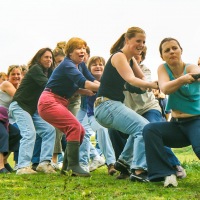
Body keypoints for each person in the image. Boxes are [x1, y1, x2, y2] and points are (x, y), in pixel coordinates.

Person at [94, 27, 158, 181]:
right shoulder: (118, 56)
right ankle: (139, 170)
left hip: (112, 105)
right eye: (138, 41)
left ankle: (124, 163)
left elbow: (142, 79)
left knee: (139, 128)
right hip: (106, 106)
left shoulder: (131, 59)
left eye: (143, 42)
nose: (141, 44)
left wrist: (154, 85)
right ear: (127, 40)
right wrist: (154, 85)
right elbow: (130, 79)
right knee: (144, 128)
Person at [111, 47, 186, 180]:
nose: (135, 58)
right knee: (113, 130)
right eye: (131, 56)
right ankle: (124, 166)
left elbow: (144, 85)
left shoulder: (144, 70)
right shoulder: (117, 72)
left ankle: (174, 165)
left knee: (151, 128)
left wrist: (135, 82)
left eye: (138, 56)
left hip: (148, 109)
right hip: (129, 112)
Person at [38, 37, 100, 177]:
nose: (82, 51)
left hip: (60, 101)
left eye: (84, 48)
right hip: (49, 101)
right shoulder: (67, 64)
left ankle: (66, 167)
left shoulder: (81, 65)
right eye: (78, 48)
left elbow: (91, 80)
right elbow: (84, 83)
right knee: (74, 127)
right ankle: (74, 166)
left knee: (81, 131)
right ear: (70, 53)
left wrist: (97, 87)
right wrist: (105, 89)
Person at [143, 37, 200, 187]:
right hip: (177, 125)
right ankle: (165, 173)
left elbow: (197, 72)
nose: (171, 52)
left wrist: (194, 75)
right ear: (162, 56)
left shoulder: (190, 68)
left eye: (175, 48)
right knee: (150, 129)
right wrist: (183, 80)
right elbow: (165, 88)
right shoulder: (163, 68)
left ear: (181, 50)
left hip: (196, 122)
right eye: (167, 50)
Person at [9, 48, 57, 175]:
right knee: (29, 133)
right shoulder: (36, 69)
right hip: (20, 105)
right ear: (39, 58)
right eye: (46, 57)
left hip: (32, 109)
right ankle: (22, 167)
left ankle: (44, 163)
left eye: (51, 58)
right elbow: (48, 85)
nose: (49, 59)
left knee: (49, 130)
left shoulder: (49, 72)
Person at [86, 56, 116, 175]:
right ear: (89, 68)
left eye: (101, 64)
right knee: (101, 129)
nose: (98, 66)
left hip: (111, 114)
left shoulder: (110, 79)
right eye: (94, 65)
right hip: (93, 115)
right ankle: (111, 163)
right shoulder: (86, 81)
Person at [0, 65, 22, 173]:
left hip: (4, 119)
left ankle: (4, 161)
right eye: (13, 74)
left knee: (16, 134)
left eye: (18, 74)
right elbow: (19, 97)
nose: (16, 76)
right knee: (3, 135)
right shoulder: (6, 84)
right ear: (8, 76)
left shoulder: (19, 87)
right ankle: (0, 167)